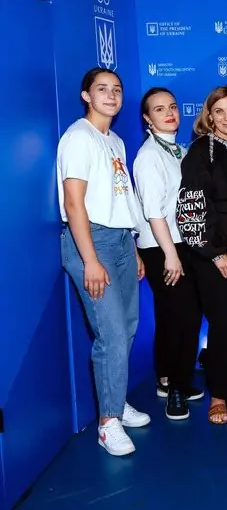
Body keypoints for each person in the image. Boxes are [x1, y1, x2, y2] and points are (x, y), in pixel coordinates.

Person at [57, 67, 151, 456]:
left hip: (119, 240)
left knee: (126, 328)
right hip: (91, 242)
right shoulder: (78, 138)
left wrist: (133, 248)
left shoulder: (114, 141)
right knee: (110, 334)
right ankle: (107, 423)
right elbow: (74, 203)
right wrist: (90, 259)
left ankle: (116, 402)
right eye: (101, 89)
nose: (111, 95)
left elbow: (120, 200)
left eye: (116, 89)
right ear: (86, 95)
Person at [177, 85, 227, 425]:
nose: (226, 117)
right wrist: (214, 254)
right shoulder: (201, 151)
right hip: (213, 254)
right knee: (221, 323)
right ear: (209, 116)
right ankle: (217, 396)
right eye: (219, 111)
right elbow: (191, 207)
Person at [133, 87, 204, 421]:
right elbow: (153, 212)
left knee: (171, 314)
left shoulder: (178, 149)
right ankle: (176, 388)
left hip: (181, 242)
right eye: (159, 109)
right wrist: (170, 256)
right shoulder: (149, 156)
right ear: (148, 118)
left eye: (173, 106)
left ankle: (169, 377)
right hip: (163, 246)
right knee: (186, 317)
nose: (170, 113)